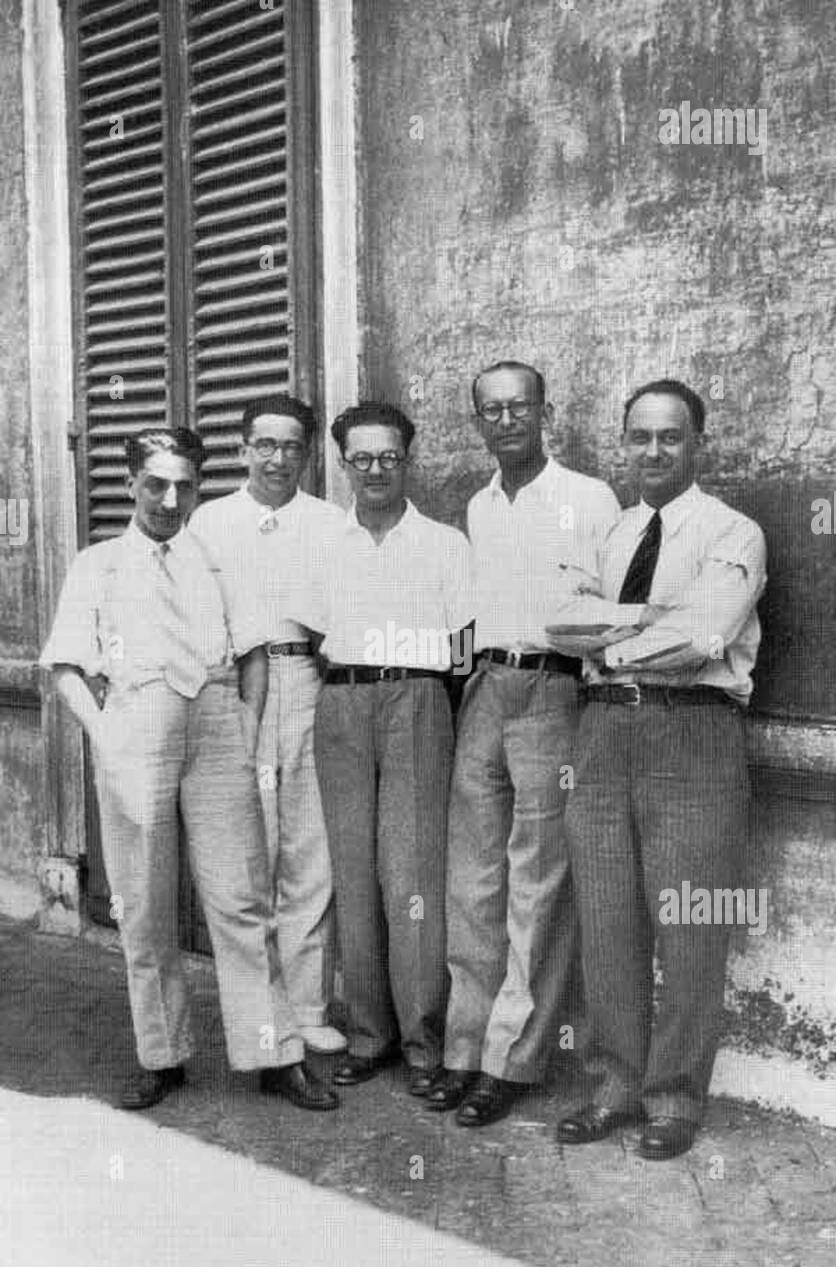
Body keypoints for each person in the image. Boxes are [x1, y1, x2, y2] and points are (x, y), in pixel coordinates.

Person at [40, 427, 337, 1112]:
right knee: (142, 901)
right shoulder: (99, 564)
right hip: (137, 718)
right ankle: (162, 1053)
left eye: (184, 486)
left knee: (241, 896)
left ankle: (274, 1055)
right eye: (156, 485)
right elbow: (65, 668)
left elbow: (258, 653)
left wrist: (248, 729)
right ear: (130, 484)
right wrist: (105, 733)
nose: (170, 500)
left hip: (214, 715)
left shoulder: (217, 557)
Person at [553, 378, 766, 1159]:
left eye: (669, 437)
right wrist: (647, 620)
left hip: (694, 734)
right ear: (624, 442)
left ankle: (674, 1098)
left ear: (697, 444)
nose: (652, 451)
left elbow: (702, 638)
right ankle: (613, 1086)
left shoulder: (733, 533)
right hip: (604, 733)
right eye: (639, 436)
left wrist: (613, 636)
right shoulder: (609, 534)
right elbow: (560, 618)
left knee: (689, 927)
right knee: (607, 921)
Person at [425, 361, 621, 1127]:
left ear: (546, 413)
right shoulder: (478, 506)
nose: (507, 420)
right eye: (491, 410)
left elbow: (614, 609)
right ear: (477, 422)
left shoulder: (589, 500)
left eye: (520, 407)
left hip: (554, 688)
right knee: (472, 881)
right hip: (484, 688)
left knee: (537, 880)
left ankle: (513, 1061)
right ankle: (465, 1049)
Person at [299, 402, 472, 1097]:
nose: (375, 469)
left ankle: (423, 1038)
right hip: (341, 702)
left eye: (389, 457)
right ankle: (369, 1034)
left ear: (408, 461)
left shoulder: (444, 543)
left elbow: (460, 650)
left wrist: (404, 671)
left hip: (417, 703)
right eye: (361, 458)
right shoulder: (323, 545)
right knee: (354, 871)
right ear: (343, 464)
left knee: (413, 880)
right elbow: (313, 635)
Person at [189, 396, 346, 1055]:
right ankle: (264, 1013)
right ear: (241, 448)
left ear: (307, 453)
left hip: (309, 679)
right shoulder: (208, 521)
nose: (278, 458)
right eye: (265, 444)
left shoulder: (331, 523)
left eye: (291, 447)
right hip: (236, 692)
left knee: (310, 850)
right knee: (251, 851)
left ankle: (309, 1008)